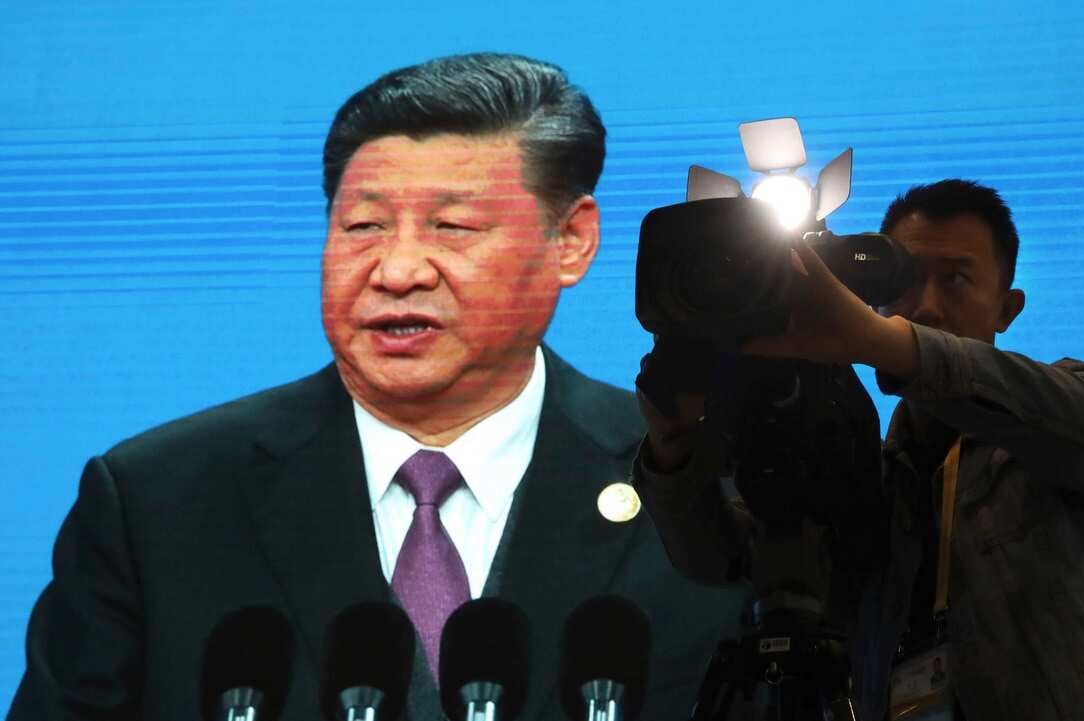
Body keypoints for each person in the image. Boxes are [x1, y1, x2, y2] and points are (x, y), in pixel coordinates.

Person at [10, 53, 742, 721]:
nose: (397, 271)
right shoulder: (156, 502)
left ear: (571, 241)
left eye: (452, 226)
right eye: (363, 226)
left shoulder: (705, 481)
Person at [632, 180, 1084, 720]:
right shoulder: (871, 479)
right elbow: (721, 558)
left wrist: (875, 341)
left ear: (1007, 308)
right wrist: (673, 443)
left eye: (955, 280)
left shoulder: (1070, 409)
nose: (926, 307)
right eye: (907, 279)